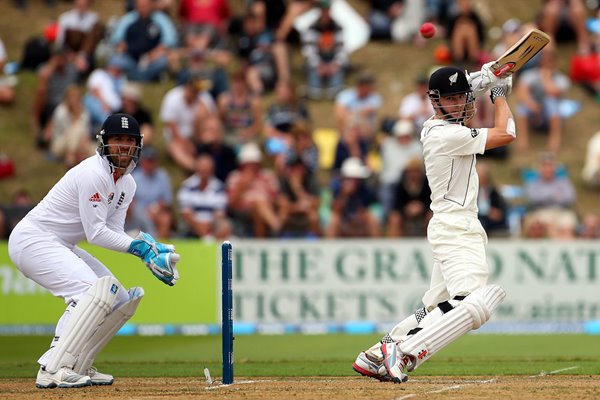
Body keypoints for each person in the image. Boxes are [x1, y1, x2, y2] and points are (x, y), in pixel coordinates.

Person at [352, 63, 516, 383]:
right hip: (456, 227)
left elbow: (468, 90)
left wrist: (487, 76)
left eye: (462, 97)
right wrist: (499, 93)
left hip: (451, 224)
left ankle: (377, 352)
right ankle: (407, 351)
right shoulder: (445, 134)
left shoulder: (439, 126)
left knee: (436, 308)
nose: (459, 104)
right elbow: (507, 133)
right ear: (435, 101)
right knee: (473, 302)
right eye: (451, 99)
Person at [7, 113, 180, 389]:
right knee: (90, 292)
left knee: (120, 300)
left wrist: (150, 247)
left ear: (138, 145)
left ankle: (78, 364)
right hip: (32, 239)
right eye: (117, 140)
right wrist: (141, 250)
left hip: (61, 243)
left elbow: (114, 231)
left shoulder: (127, 184)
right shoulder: (93, 173)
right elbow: (96, 233)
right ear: (104, 143)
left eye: (129, 141)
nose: (124, 146)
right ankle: (52, 367)